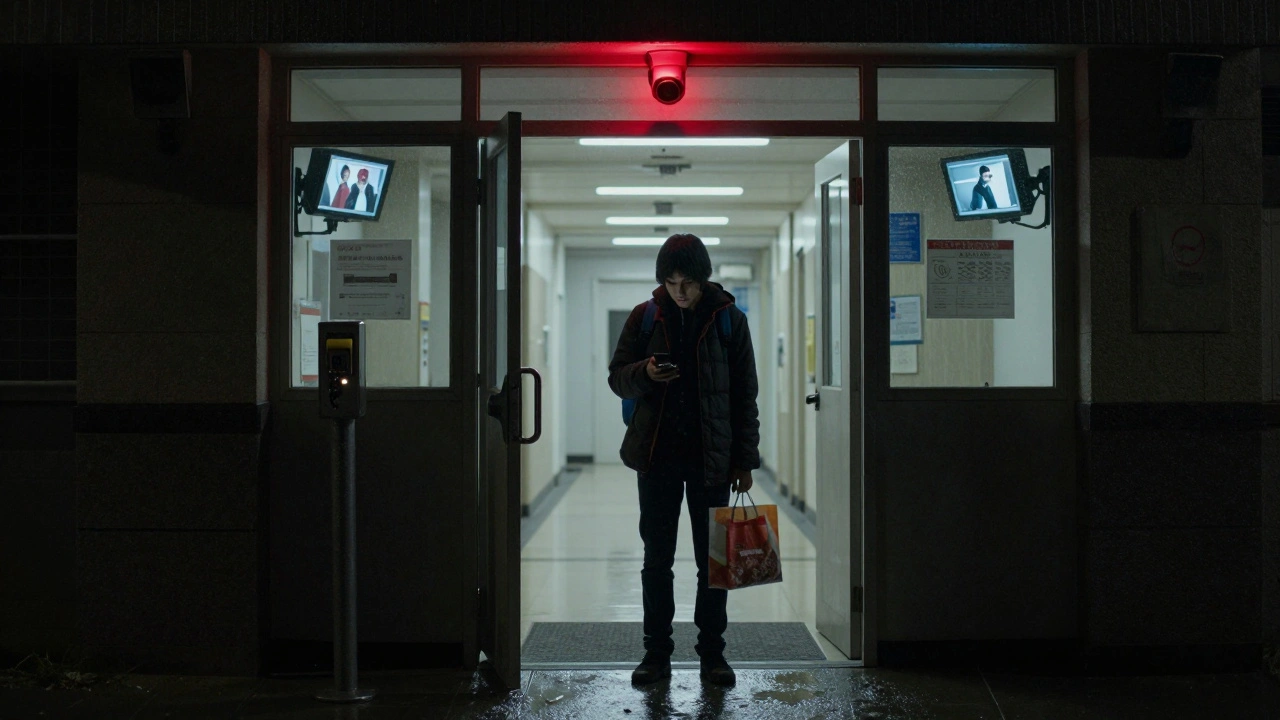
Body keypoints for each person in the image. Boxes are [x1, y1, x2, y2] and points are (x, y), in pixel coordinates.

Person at [607, 233, 760, 688]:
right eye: (671, 282)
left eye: (687, 282)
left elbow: (744, 397)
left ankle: (713, 655)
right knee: (657, 560)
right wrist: (646, 374)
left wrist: (745, 461)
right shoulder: (645, 317)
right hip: (657, 460)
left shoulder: (730, 320)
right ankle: (656, 654)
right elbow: (617, 378)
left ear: (702, 279)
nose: (680, 291)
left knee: (712, 562)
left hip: (711, 461)